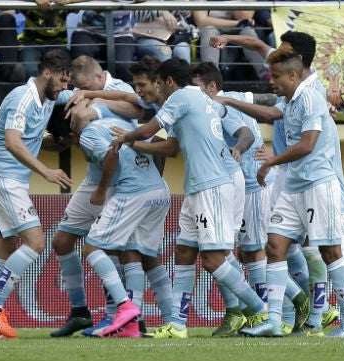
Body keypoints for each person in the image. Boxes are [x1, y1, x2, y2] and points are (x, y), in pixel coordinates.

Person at [215, 30, 344, 337]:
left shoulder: (312, 96)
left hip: (321, 185)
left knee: (332, 256)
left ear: (296, 68)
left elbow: (307, 145)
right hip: (293, 183)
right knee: (276, 246)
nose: (271, 82)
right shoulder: (291, 90)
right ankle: (275, 321)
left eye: (276, 77)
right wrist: (229, 99)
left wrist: (271, 160)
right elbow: (271, 111)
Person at [114, 58, 269, 339]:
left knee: (213, 259)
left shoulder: (182, 96)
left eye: (160, 84)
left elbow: (150, 129)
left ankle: (261, 311)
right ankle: (177, 323)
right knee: (184, 252)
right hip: (198, 185)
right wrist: (133, 141)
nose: (159, 90)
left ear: (170, 82)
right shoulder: (201, 100)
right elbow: (171, 147)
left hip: (213, 184)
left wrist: (126, 137)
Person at [0, 49, 75, 340]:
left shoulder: (48, 97)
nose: (65, 87)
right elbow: (13, 142)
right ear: (47, 73)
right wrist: (46, 171)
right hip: (5, 178)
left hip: (5, 178)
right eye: (63, 81)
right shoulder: (23, 98)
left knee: (4, 250)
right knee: (36, 242)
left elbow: (81, 97)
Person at [48, 55, 142, 338]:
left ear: (100, 79)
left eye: (86, 87)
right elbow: (54, 92)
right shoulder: (78, 91)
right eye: (78, 88)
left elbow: (138, 109)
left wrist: (95, 104)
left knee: (109, 248)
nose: (81, 93)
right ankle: (79, 312)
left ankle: (119, 315)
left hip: (118, 179)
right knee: (62, 240)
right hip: (95, 174)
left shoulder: (122, 88)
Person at [190, 61, 273, 337]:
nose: (193, 93)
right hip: (245, 181)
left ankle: (270, 311)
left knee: (251, 251)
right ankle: (253, 312)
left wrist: (238, 148)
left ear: (212, 87)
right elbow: (267, 100)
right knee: (242, 252)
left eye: (197, 88)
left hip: (251, 183)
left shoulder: (216, 105)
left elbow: (246, 134)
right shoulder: (238, 96)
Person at [66, 115, 166, 339]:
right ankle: (160, 323)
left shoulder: (90, 133)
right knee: (136, 254)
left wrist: (101, 190)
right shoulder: (127, 119)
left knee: (92, 249)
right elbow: (160, 142)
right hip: (159, 190)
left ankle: (126, 308)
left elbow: (112, 156)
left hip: (132, 193)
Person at [192, 0, 268, 81]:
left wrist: (239, 23)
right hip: (212, 27)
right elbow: (201, 21)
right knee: (209, 31)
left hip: (239, 27)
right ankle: (211, 79)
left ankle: (267, 77)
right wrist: (237, 23)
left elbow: (244, 16)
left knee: (248, 31)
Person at [19, 0, 86, 78]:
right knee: (31, 71)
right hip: (31, 43)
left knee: (64, 71)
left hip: (58, 43)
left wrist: (69, 0)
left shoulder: (62, 2)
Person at [70, 9, 137, 82]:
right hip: (88, 32)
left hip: (122, 34)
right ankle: (83, 92)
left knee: (124, 67)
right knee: (81, 62)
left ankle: (122, 91)